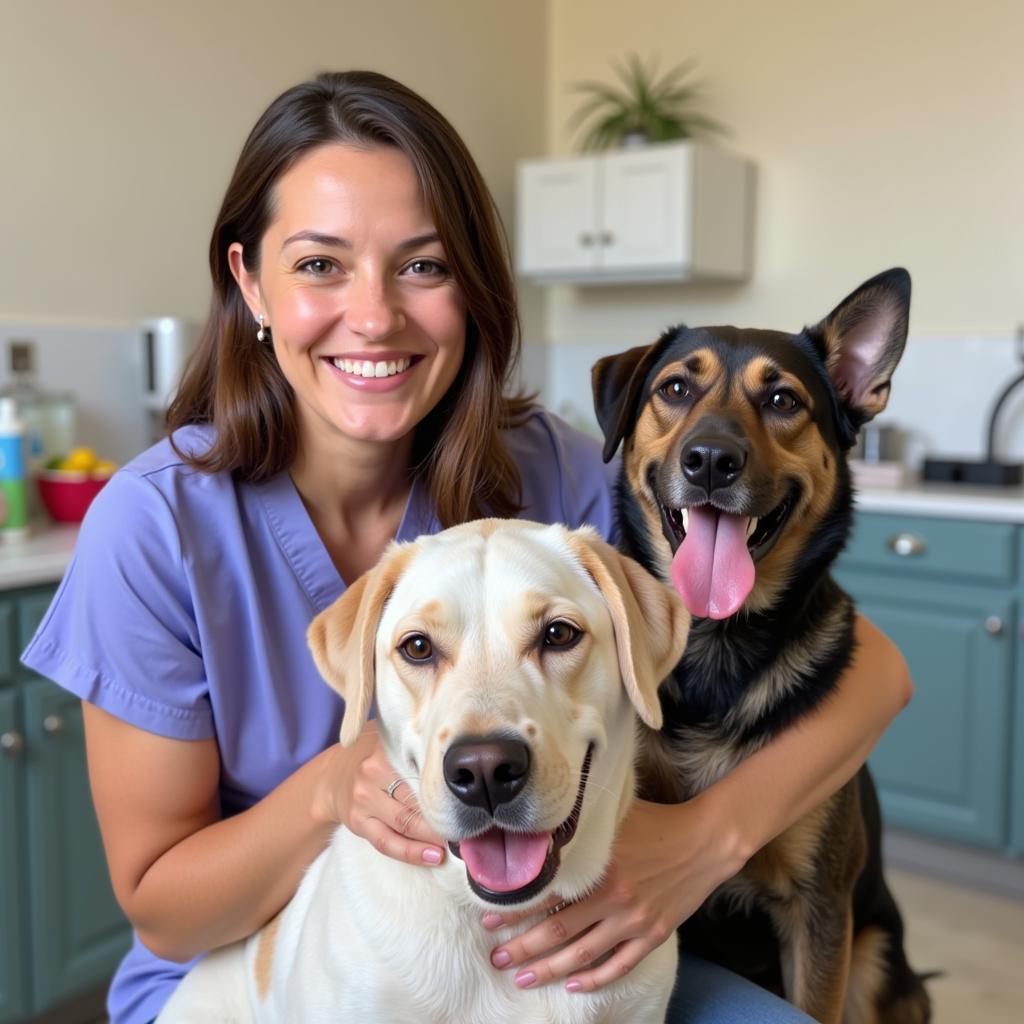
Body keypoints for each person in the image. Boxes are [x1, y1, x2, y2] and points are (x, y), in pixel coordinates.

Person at [21, 71, 910, 1024]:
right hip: (258, 970)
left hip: (555, 941)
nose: (374, 315)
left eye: (423, 266)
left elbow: (877, 676)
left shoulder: (555, 475)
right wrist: (333, 788)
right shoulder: (152, 527)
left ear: (473, 287)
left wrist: (702, 841)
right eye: (320, 264)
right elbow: (165, 915)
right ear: (250, 283)